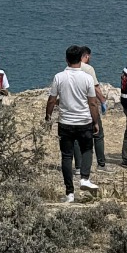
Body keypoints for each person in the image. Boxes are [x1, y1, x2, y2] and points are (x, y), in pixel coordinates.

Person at [45, 45, 102, 202]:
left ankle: (69, 193)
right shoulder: (87, 78)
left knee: (66, 156)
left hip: (65, 122)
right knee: (87, 150)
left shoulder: (59, 77)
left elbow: (51, 100)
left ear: (66, 59)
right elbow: (92, 103)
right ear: (81, 59)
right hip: (84, 121)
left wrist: (48, 117)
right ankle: (84, 178)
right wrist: (95, 121)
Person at [78, 46, 114, 173]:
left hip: (77, 107)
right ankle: (101, 164)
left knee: (79, 137)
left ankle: (78, 166)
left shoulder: (72, 68)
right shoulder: (88, 69)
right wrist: (103, 101)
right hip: (90, 105)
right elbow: (95, 88)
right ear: (86, 56)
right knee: (98, 134)